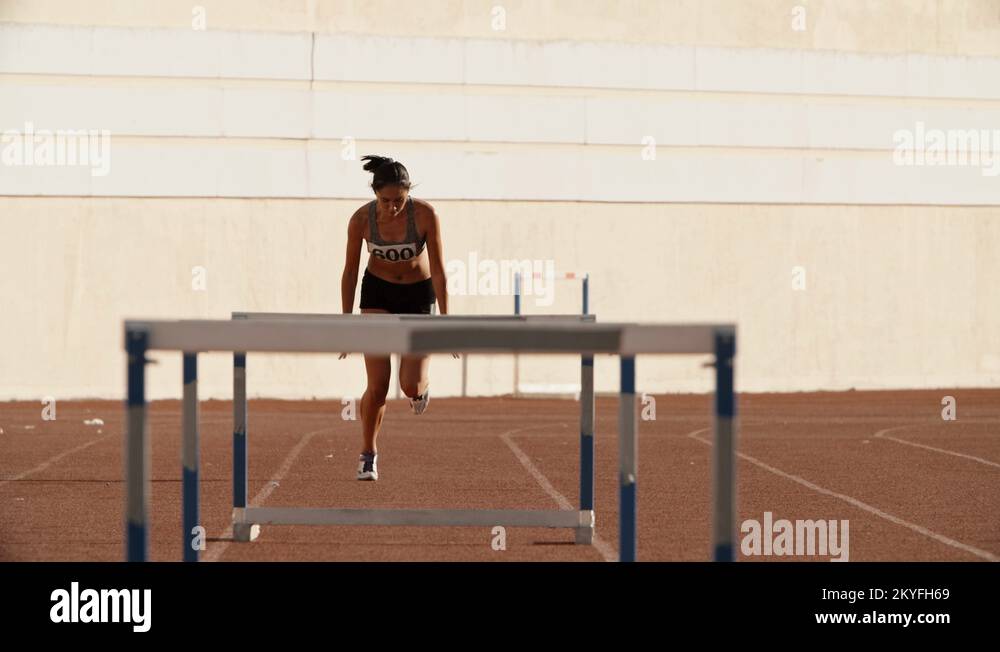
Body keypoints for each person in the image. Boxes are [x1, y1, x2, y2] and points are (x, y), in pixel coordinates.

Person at [340, 155, 451, 481]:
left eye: (399, 201)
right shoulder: (361, 220)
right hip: (377, 294)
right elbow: (349, 272)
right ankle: (368, 453)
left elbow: (440, 270)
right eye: (385, 201)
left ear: (408, 193)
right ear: (375, 194)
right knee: (378, 386)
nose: (392, 207)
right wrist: (346, 322)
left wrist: (446, 318)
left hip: (417, 295)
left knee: (409, 385)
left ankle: (420, 390)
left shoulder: (426, 215)